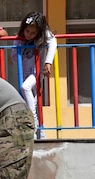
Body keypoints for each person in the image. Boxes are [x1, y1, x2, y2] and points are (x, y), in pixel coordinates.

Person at [12, 11, 57, 139]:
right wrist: (17, 43)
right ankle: (40, 134)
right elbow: (14, 58)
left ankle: (34, 123)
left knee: (25, 87)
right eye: (27, 32)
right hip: (24, 72)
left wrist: (48, 62)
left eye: (33, 33)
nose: (29, 35)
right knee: (32, 102)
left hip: (36, 72)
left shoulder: (44, 35)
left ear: (39, 32)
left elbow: (53, 42)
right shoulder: (20, 38)